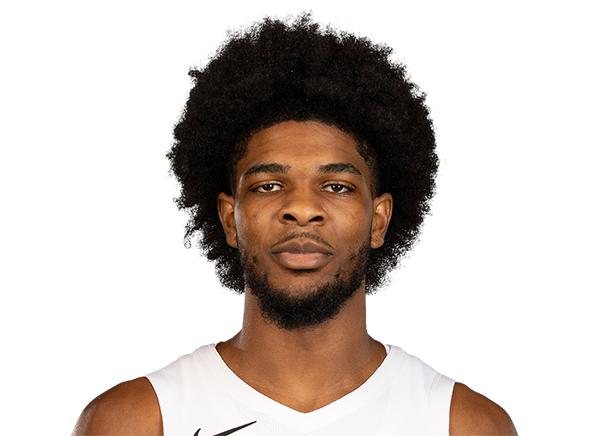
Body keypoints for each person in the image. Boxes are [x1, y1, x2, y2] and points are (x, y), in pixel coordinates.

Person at [74, 14, 517, 436]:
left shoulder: (461, 424)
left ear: (378, 220)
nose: (302, 209)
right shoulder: (138, 420)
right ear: (230, 219)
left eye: (337, 186)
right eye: (268, 186)